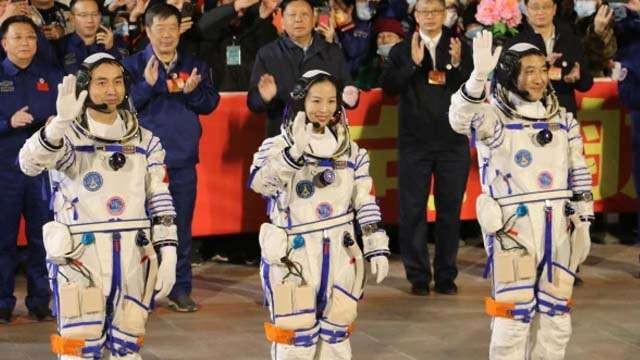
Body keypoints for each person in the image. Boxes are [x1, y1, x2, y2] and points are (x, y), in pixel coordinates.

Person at [19, 52, 178, 359]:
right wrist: (59, 124)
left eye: (117, 82)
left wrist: (168, 248)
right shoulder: (67, 138)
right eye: (101, 82)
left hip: (133, 253)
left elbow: (160, 196)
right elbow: (28, 163)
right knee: (80, 345)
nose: (111, 90)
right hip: (81, 255)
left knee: (128, 346)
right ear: (84, 86)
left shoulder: (145, 141)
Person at [449, 31, 593, 359]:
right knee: (513, 316)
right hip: (514, 229)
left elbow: (579, 169)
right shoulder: (496, 117)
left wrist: (584, 220)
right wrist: (476, 78)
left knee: (558, 315)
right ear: (511, 74)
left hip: (559, 226)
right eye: (528, 71)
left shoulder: (562, 118)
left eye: (542, 69)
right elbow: (460, 120)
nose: (539, 78)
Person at [249, 70, 390, 360]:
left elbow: (365, 200)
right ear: (301, 102)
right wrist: (293, 154)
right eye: (316, 101)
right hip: (295, 255)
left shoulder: (351, 152)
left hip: (341, 252)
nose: (323, 109)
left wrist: (376, 246)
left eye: (330, 101)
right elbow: (260, 184)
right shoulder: (277, 146)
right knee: (295, 340)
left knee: (337, 339)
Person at [123, 2, 219, 312]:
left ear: (180, 30)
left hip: (181, 158)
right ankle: (144, 290)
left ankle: (180, 288)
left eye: (172, 28)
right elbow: (124, 108)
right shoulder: (132, 65)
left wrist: (192, 91)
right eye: (159, 29)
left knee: (179, 227)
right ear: (147, 30)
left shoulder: (194, 64)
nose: (166, 35)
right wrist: (147, 86)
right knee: (143, 227)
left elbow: (209, 104)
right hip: (142, 162)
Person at [380, 0, 472, 296]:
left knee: (449, 212)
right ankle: (418, 276)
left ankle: (446, 275)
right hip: (414, 144)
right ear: (415, 16)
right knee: (413, 211)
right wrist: (413, 64)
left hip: (452, 143)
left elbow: (475, 88)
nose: (430, 17)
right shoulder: (401, 49)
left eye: (435, 11)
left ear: (445, 15)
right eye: (424, 12)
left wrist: (458, 66)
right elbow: (389, 88)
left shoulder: (461, 46)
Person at [0, 15, 62, 324]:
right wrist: (7, 123)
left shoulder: (50, 76)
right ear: (4, 42)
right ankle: (2, 303)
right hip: (5, 171)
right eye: (19, 37)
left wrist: (56, 124)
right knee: (3, 240)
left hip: (42, 172)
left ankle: (40, 301)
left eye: (32, 37)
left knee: (42, 238)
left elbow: (66, 117)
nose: (26, 43)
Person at [247, 0, 357, 137]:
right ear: (282, 21)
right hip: (282, 140)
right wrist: (263, 97)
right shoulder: (268, 54)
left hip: (325, 138)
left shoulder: (332, 52)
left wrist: (350, 97)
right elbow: (253, 103)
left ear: (313, 19)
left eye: (304, 14)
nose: (298, 19)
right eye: (292, 15)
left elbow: (348, 91)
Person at [57, 0, 130, 74]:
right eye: (83, 15)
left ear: (100, 16)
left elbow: (126, 73)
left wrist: (111, 49)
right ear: (72, 19)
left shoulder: (116, 41)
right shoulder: (60, 46)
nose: (90, 20)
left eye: (94, 14)